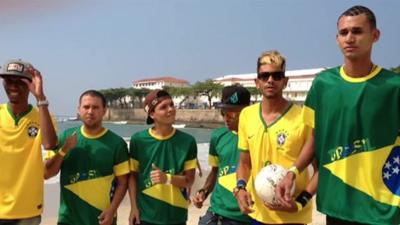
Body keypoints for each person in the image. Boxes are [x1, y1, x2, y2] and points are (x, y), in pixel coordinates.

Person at [276, 5, 400, 225]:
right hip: (337, 207)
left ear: (375, 35)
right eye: (344, 33)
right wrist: (293, 172)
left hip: (383, 210)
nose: (349, 38)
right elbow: (315, 140)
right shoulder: (323, 84)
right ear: (337, 39)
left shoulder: (394, 87)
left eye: (357, 31)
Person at [235, 51, 318, 225]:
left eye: (277, 75)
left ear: (285, 81)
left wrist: (299, 203)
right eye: (264, 76)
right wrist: (240, 188)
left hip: (292, 218)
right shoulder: (246, 115)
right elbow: (244, 163)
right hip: (258, 215)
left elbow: (320, 171)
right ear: (257, 82)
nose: (270, 80)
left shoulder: (304, 117)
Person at [44, 90, 130, 225]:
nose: (90, 111)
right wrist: (63, 150)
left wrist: (112, 211)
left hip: (102, 219)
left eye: (95, 107)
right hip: (68, 219)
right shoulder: (64, 137)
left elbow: (123, 182)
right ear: (79, 110)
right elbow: (47, 173)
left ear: (104, 111)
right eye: (86, 107)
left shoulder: (117, 143)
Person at [0, 59, 57, 225]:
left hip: (28, 209)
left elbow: (49, 144)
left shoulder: (43, 116)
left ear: (31, 83)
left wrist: (40, 97)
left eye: (20, 81)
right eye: (9, 81)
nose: (13, 86)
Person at [128, 89, 197, 225]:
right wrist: (134, 208)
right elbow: (133, 177)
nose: (170, 109)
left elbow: (189, 181)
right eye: (163, 107)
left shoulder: (188, 141)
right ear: (152, 114)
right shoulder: (138, 140)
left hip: (176, 216)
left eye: (171, 105)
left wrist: (167, 178)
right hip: (146, 216)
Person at [192, 85, 251, 225]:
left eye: (232, 114)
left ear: (246, 112)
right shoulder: (218, 136)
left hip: (245, 216)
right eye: (223, 113)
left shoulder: (259, 137)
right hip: (216, 212)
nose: (226, 118)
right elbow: (215, 171)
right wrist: (204, 192)